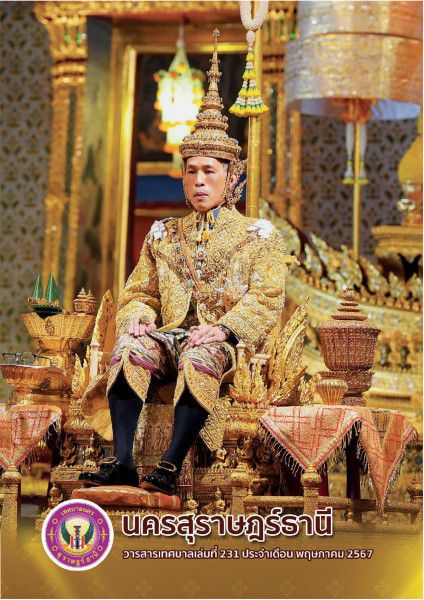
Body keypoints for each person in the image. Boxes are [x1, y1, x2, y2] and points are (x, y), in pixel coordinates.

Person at [79, 29, 295, 495]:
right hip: (171, 334)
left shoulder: (258, 235)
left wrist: (224, 329)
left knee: (200, 354)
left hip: (224, 344)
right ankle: (122, 461)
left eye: (209, 172)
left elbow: (267, 298)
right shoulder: (163, 232)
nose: (199, 181)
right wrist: (138, 318)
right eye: (191, 171)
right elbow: (140, 292)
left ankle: (170, 465)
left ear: (231, 178)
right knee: (129, 347)